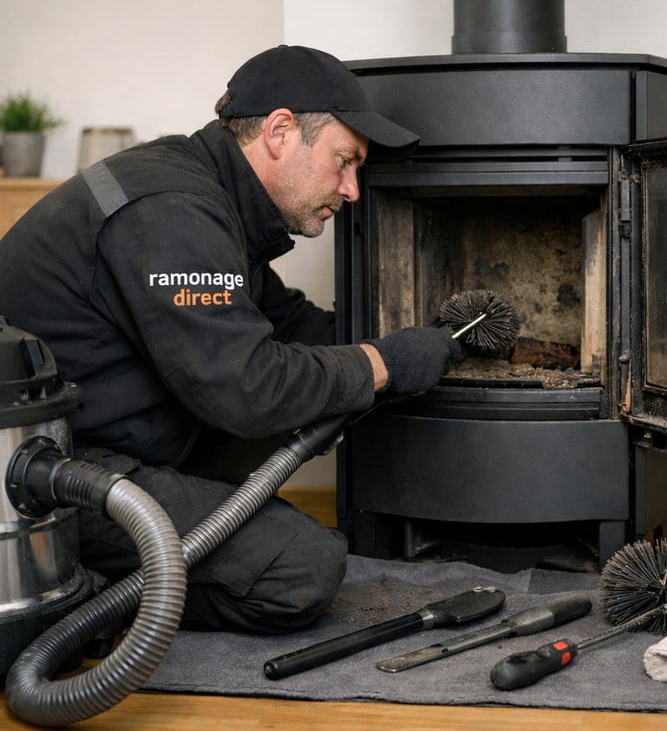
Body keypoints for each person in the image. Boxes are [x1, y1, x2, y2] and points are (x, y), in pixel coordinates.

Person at [0, 45, 462, 634]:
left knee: (316, 406)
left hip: (110, 436)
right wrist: (382, 365)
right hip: (47, 481)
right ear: (280, 130)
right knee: (303, 568)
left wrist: (419, 342)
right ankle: (74, 593)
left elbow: (292, 328)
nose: (351, 190)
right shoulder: (171, 211)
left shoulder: (210, 193)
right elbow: (246, 388)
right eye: (344, 161)